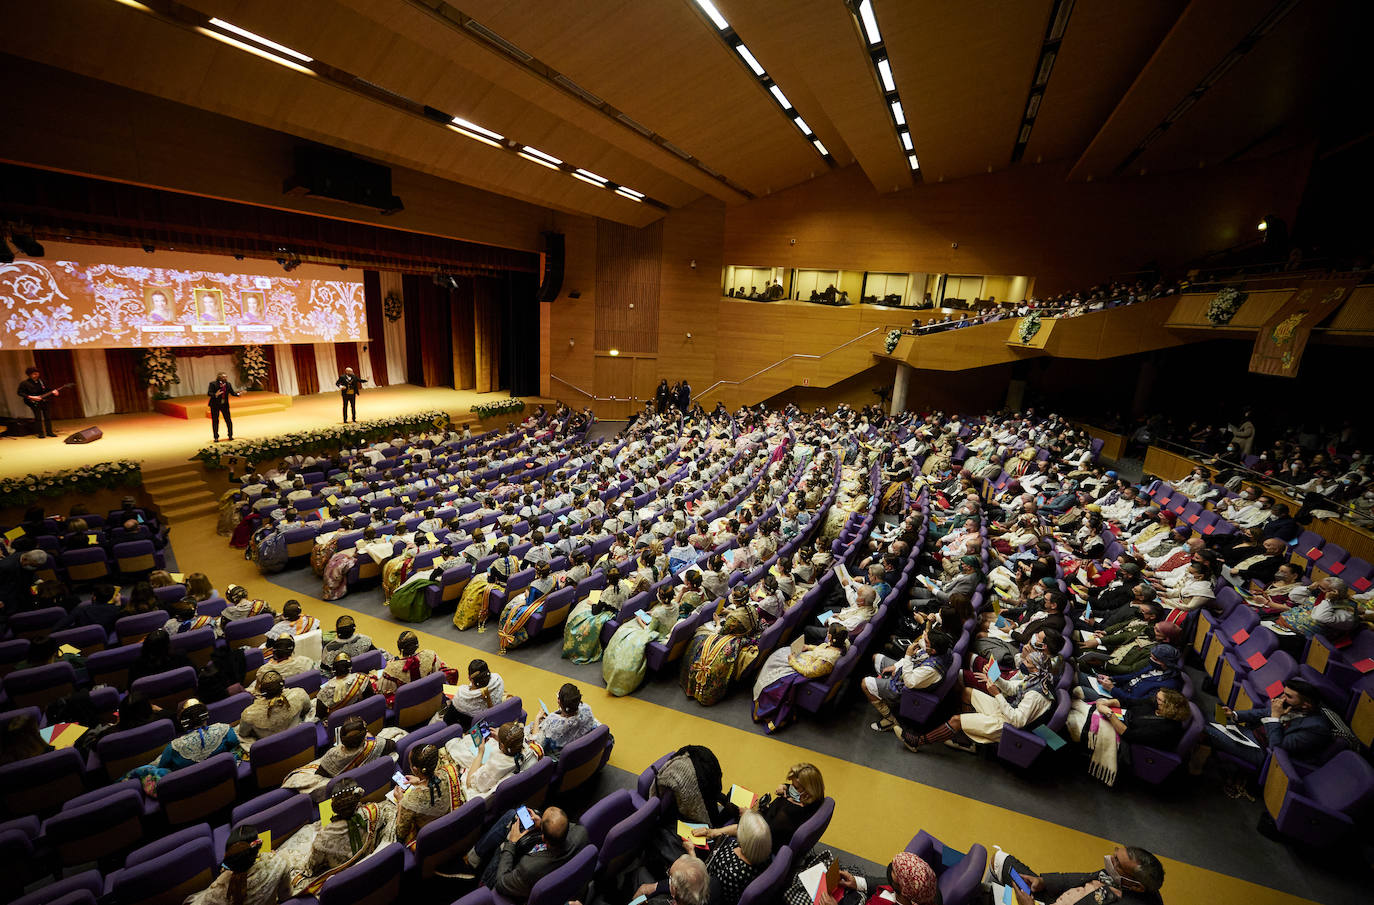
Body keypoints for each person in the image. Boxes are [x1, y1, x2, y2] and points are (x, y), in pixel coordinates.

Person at [289, 779, 396, 896]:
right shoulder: (373, 811)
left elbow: (311, 868)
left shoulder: (323, 838)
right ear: (357, 799)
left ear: (334, 806)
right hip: (368, 864)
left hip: (341, 877)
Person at [464, 805, 590, 899]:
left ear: (543, 838)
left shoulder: (529, 867)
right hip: (555, 867)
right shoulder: (581, 833)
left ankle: (481, 890)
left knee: (503, 846)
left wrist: (511, 843)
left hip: (520, 885)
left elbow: (502, 883)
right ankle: (473, 858)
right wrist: (541, 824)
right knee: (512, 816)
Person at [702, 764, 824, 854]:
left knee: (728, 809)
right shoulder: (815, 799)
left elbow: (758, 833)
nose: (791, 787)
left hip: (760, 840)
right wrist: (785, 787)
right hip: (765, 818)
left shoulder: (787, 815)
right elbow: (794, 790)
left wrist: (749, 815)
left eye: (795, 787)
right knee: (731, 800)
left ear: (807, 791)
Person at [990, 844, 1166, 905]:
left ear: (1136, 886)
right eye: (1115, 854)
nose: (1111, 861)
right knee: (999, 860)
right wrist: (1043, 881)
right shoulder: (1122, 878)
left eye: (1118, 863)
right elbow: (1083, 878)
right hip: (1056, 898)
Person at [751, 624, 849, 733]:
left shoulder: (827, 660)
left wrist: (792, 661)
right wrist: (809, 647)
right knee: (781, 653)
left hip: (804, 670)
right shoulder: (840, 645)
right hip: (808, 659)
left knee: (775, 665)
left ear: (830, 637)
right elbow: (822, 649)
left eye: (827, 633)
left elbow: (808, 672)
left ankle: (763, 702)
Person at [125, 699, 243, 790]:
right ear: (205, 715)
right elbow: (235, 744)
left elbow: (162, 766)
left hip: (189, 788)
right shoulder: (224, 729)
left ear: (183, 722)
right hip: (223, 781)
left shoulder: (174, 747)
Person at [282, 714, 396, 801]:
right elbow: (392, 745)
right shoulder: (377, 745)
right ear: (364, 735)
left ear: (342, 739)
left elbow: (321, 774)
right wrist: (371, 738)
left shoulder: (333, 754)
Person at [185, 823, 294, 905]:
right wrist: (272, 857)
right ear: (256, 848)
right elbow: (285, 896)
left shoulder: (223, 885)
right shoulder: (280, 862)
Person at [603, 585, 680, 696]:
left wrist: (639, 619)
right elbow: (667, 613)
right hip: (666, 630)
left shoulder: (658, 612)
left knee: (623, 631)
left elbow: (648, 629)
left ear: (661, 597)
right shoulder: (676, 605)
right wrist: (651, 615)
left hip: (657, 635)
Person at [396, 743, 463, 849]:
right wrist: (419, 781)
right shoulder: (448, 773)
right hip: (449, 825)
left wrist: (400, 802)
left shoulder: (410, 800)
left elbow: (400, 833)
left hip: (430, 839)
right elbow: (433, 782)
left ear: (415, 769)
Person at [701, 809, 770, 905]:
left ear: (744, 838)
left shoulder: (732, 873)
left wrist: (691, 853)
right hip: (716, 854)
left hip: (706, 882)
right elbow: (738, 828)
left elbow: (706, 891)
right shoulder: (761, 846)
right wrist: (713, 832)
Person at [823, 850, 939, 905]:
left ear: (903, 889)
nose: (890, 867)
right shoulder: (927, 890)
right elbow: (883, 882)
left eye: (894, 871)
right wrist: (857, 882)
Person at [237, 668, 312, 750]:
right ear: (283, 683)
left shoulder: (249, 714)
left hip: (271, 750)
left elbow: (243, 734)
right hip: (298, 742)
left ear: (260, 689)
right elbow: (307, 709)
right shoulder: (299, 694)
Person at [531, 683, 600, 755]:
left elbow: (536, 744)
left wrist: (537, 718)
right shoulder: (586, 710)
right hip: (579, 748)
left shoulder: (551, 724)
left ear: (559, 701)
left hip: (557, 756)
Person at [315, 653, 375, 718]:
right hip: (362, 717)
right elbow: (370, 701)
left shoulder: (324, 692)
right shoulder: (362, 679)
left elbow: (320, 715)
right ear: (350, 667)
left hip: (338, 724)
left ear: (334, 670)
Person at [16, 365, 58, 438]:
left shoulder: (42, 381)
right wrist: (31, 397)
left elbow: (48, 389)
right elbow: (20, 392)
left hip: (44, 401)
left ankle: (49, 432)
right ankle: (40, 433)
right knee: (38, 417)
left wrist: (54, 392)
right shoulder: (25, 383)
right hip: (33, 402)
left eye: (37, 373)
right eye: (34, 374)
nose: (36, 375)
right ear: (29, 375)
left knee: (47, 417)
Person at [208, 372, 240, 442]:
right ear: (219, 378)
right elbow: (209, 393)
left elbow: (233, 393)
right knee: (215, 421)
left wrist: (239, 393)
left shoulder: (228, 384)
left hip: (224, 405)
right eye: (223, 377)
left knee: (228, 420)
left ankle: (230, 435)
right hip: (215, 405)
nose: (225, 378)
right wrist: (215, 394)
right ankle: (216, 437)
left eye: (226, 377)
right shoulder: (213, 384)